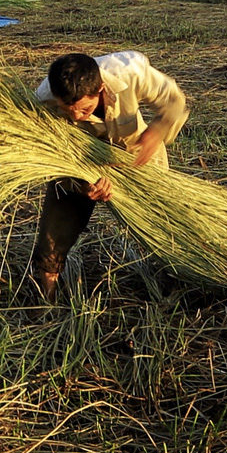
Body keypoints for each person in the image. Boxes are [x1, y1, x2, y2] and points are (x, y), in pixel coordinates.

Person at [24, 50, 189, 303]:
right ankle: (47, 301)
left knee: (163, 223)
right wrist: (81, 185)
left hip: (136, 154)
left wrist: (156, 131)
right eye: (68, 112)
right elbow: (46, 160)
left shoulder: (129, 73)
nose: (77, 117)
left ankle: (179, 277)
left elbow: (174, 101)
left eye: (84, 109)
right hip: (78, 164)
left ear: (101, 88)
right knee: (52, 237)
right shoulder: (42, 103)